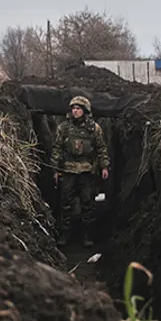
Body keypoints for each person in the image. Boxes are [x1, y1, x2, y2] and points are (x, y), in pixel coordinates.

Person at [50, 95, 110, 247]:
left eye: (78, 108)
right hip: (68, 169)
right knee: (65, 203)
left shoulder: (94, 129)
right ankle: (65, 233)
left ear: (85, 110)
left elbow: (101, 148)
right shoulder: (63, 128)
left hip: (86, 171)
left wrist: (104, 166)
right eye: (73, 108)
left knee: (87, 203)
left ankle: (87, 235)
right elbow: (57, 149)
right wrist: (55, 169)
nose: (75, 111)